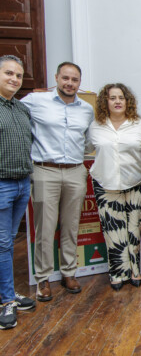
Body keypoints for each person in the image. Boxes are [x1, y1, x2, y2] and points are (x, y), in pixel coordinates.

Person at [22, 62, 94, 301]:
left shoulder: (86, 109)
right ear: (56, 78)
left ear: (79, 83)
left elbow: (89, 142)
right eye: (65, 78)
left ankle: (68, 272)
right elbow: (13, 117)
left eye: (74, 80)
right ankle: (42, 278)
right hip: (45, 170)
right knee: (45, 227)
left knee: (71, 224)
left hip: (75, 170)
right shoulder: (35, 101)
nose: (69, 83)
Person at [87, 83, 141, 291]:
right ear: (105, 101)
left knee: (133, 229)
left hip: (137, 182)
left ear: (127, 101)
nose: (117, 101)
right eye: (112, 98)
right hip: (106, 184)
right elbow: (87, 148)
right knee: (113, 231)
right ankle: (117, 272)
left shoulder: (140, 125)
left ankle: (134, 270)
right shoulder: (95, 125)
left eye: (121, 98)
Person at [0, 55, 36, 330]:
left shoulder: (21, 109)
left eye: (18, 76)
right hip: (1, 184)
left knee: (10, 241)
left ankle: (7, 292)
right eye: (8, 73)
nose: (14, 79)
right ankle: (6, 301)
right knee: (3, 244)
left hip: (22, 182)